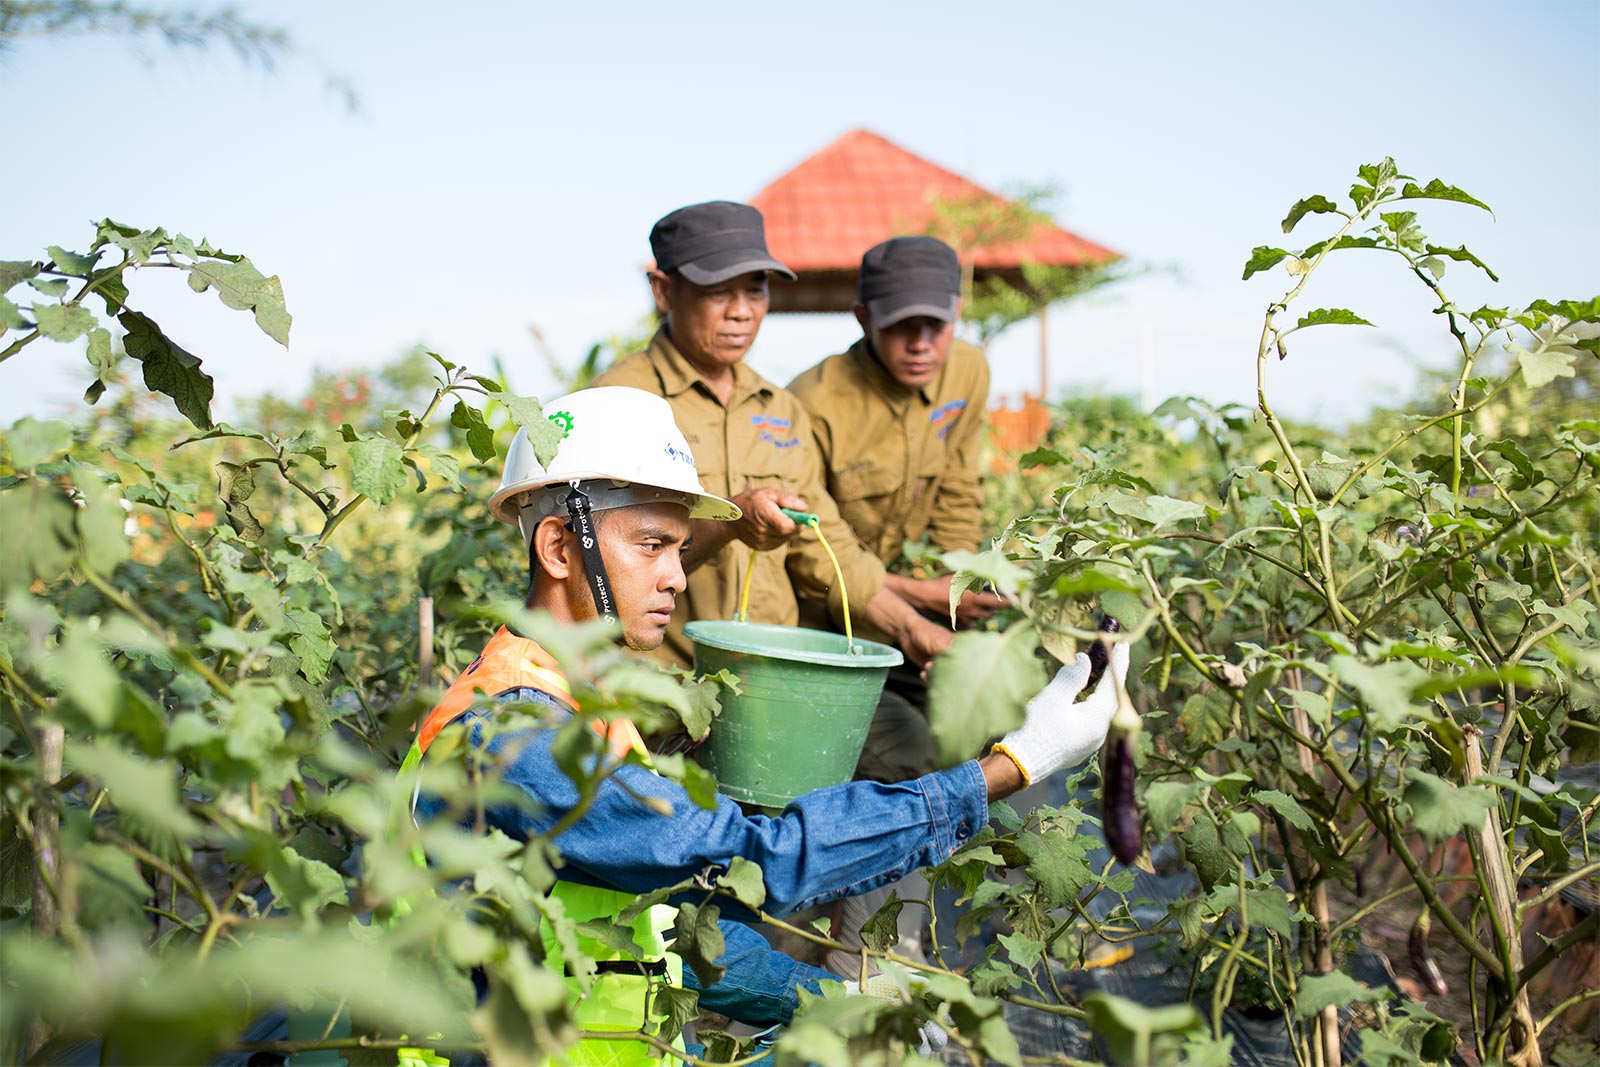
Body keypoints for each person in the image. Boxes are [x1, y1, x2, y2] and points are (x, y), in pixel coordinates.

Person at [406, 385, 1131, 1063]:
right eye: (651, 545)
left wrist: (835, 999)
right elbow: (757, 858)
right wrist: (1013, 764)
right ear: (561, 548)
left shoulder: (571, 703)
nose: (676, 577)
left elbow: (670, 929)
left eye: (679, 549)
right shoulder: (515, 734)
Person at [590, 201, 952, 677]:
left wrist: (913, 629)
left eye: (755, 289)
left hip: (772, 680)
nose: (741, 312)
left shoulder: (779, 409)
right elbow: (595, 569)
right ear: (664, 291)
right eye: (717, 291)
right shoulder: (618, 403)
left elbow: (825, 549)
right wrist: (729, 523)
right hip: (662, 688)